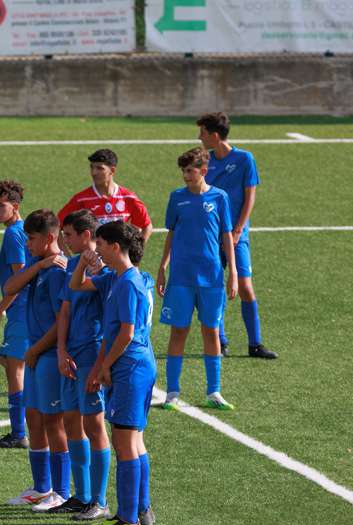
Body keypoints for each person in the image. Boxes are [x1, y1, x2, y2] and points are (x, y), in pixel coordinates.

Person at [70, 220, 157, 525]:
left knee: (124, 443)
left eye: (102, 245)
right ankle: (140, 510)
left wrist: (104, 366)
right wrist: (84, 262)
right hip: (134, 365)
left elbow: (126, 333)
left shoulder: (127, 283)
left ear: (116, 247)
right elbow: (78, 287)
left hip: (130, 367)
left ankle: (129, 520)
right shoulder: (119, 278)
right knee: (134, 441)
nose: (98, 250)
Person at [157, 148, 238, 411]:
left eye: (190, 171)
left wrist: (233, 272)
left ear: (203, 170)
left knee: (211, 331)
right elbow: (171, 234)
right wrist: (162, 267)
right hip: (181, 277)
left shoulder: (220, 197)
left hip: (211, 277)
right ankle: (172, 392)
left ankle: (214, 391)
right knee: (178, 331)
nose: (186, 175)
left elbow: (226, 236)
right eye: (183, 171)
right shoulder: (176, 198)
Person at [2, 210, 70, 512]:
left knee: (54, 422)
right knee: (33, 417)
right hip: (35, 354)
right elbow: (10, 287)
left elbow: (62, 321)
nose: (27, 244)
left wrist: (36, 349)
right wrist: (39, 264)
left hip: (49, 355)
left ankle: (62, 491)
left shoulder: (58, 272)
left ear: (49, 238)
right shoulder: (40, 264)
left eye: (31, 239)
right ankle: (42, 487)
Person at [197, 112, 277, 359]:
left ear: (215, 135)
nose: (199, 138)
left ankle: (255, 344)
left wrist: (238, 230)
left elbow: (250, 197)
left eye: (202, 133)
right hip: (212, 234)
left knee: (245, 287)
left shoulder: (244, 159)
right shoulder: (205, 163)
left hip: (237, 235)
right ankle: (220, 341)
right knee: (215, 286)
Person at [48, 209, 112, 519]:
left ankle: (100, 501)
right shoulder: (73, 265)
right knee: (72, 421)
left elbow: (113, 319)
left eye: (69, 235)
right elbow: (65, 311)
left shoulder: (106, 269)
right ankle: (82, 495)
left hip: (91, 355)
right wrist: (60, 350)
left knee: (94, 425)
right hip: (70, 355)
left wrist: (101, 365)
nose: (65, 240)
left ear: (87, 235)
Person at [0, 180, 31, 449]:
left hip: (21, 311)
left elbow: (19, 279)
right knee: (8, 361)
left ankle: (18, 433)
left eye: (0, 206)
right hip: (26, 311)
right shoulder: (25, 230)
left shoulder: (13, 234)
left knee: (15, 370)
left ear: (14, 206)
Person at [57, 148, 153, 249]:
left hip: (118, 258)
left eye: (99, 168)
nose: (94, 172)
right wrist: (66, 255)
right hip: (92, 258)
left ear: (112, 170)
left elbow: (147, 226)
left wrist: (135, 252)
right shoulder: (82, 199)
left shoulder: (128, 197)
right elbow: (56, 226)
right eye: (92, 167)